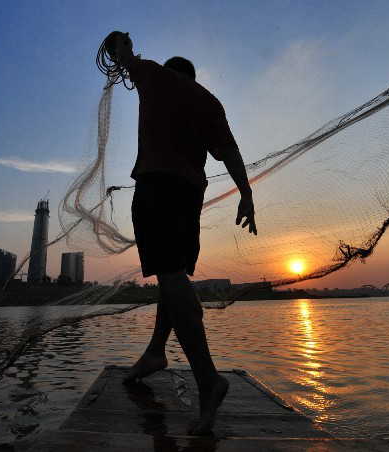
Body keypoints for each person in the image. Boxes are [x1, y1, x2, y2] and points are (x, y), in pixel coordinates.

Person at [105, 31, 257, 435]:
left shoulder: (155, 76)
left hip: (157, 188)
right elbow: (231, 152)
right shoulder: (209, 101)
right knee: (173, 278)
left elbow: (122, 55)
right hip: (190, 194)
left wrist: (119, 44)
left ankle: (208, 380)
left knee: (171, 278)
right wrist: (246, 194)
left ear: (172, 74)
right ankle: (156, 351)